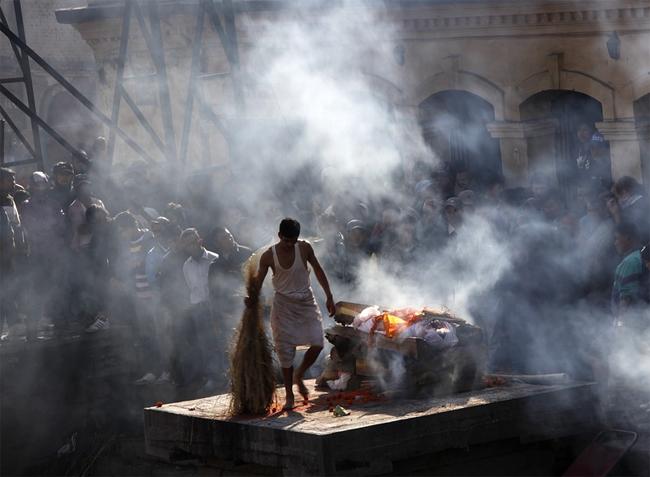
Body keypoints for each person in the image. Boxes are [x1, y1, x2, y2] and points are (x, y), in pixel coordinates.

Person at [247, 218, 335, 410]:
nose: (289, 244)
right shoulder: (268, 256)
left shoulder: (304, 248)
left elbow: (318, 270)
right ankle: (289, 394)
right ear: (279, 236)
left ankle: (300, 374)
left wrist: (329, 295)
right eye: (286, 240)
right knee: (285, 351)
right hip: (283, 305)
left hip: (305, 301)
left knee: (318, 342)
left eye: (293, 240)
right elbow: (259, 281)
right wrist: (251, 297)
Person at [180, 228, 222, 391]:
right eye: (186, 244)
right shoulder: (186, 265)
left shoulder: (214, 259)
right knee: (205, 343)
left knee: (221, 340)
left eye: (192, 242)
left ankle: (226, 374)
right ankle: (213, 376)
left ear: (200, 240)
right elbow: (192, 288)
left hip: (216, 306)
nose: (190, 247)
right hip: (198, 307)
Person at [611, 222, 645, 320]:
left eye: (617, 238)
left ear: (628, 238)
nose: (615, 242)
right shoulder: (643, 255)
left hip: (633, 323)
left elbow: (626, 299)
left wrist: (621, 324)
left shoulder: (630, 262)